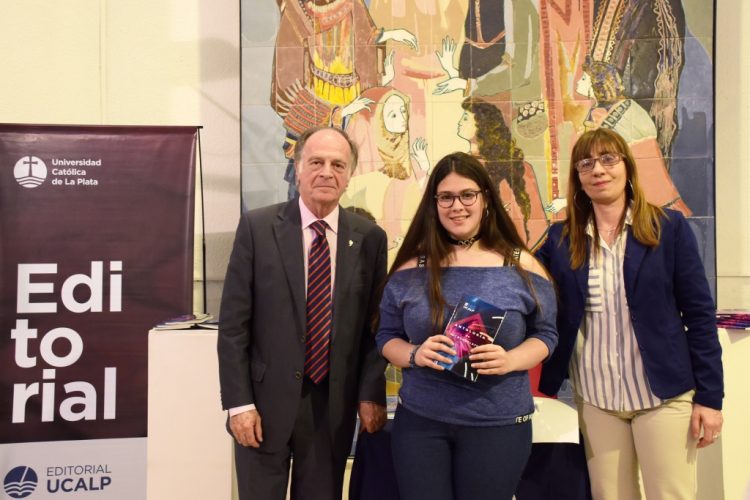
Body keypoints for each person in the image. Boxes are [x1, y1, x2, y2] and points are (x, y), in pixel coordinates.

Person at [536, 128, 723, 499]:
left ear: (626, 166)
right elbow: (522, 276)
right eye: (586, 163)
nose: (598, 170)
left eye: (608, 159)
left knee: (670, 494)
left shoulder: (668, 228)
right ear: (577, 177)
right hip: (596, 400)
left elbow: (700, 317)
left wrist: (710, 398)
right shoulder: (561, 239)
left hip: (663, 396)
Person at [218, 127, 389, 500]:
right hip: (262, 405)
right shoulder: (258, 228)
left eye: (338, 165)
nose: (327, 172)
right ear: (297, 169)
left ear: (349, 174)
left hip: (332, 408)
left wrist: (371, 394)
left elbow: (376, 327)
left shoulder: (370, 239)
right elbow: (233, 327)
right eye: (316, 162)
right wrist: (239, 404)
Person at [375, 152, 558, 500]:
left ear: (485, 198)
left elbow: (546, 335)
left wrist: (511, 360)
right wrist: (414, 354)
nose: (456, 206)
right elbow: (386, 337)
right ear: (434, 204)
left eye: (467, 195)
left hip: (498, 423)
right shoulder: (410, 269)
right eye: (446, 197)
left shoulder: (523, 265)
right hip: (421, 423)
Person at [458, 98, 549, 251]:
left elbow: (536, 221)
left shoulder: (520, 167)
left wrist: (524, 258)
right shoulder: (459, 167)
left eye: (465, 118)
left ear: (482, 124)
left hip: (517, 255)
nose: (460, 122)